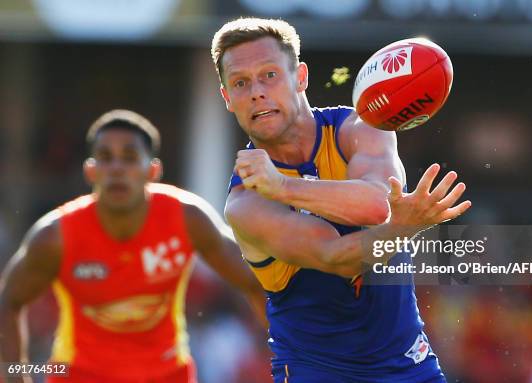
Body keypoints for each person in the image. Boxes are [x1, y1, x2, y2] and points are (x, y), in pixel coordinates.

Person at [211, 17, 471, 383]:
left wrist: (282, 185)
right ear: (227, 98)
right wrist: (405, 228)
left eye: (269, 75)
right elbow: (339, 259)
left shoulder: (360, 128)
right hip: (317, 372)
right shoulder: (244, 204)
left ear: (300, 77)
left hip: (408, 366)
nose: (256, 92)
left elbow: (377, 205)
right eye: (240, 83)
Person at [0, 110, 266, 383]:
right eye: (105, 158)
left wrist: (286, 356)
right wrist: (16, 378)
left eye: (129, 157)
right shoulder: (55, 236)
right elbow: (8, 301)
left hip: (167, 375)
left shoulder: (188, 219)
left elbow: (256, 281)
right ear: (90, 170)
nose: (116, 168)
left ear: (153, 170)